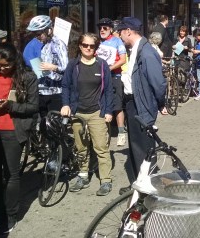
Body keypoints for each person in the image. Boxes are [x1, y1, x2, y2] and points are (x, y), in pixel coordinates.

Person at [0, 42, 38, 234]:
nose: (1, 69)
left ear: (15, 62)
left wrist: (10, 106)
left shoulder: (27, 77)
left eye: (6, 65)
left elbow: (32, 106)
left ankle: (11, 214)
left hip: (12, 129)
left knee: (11, 174)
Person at [116, 17, 167, 189]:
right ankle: (139, 184)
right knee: (135, 146)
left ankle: (147, 188)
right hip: (133, 103)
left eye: (121, 32)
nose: (119, 36)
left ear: (128, 31)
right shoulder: (137, 49)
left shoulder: (146, 52)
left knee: (143, 148)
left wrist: (160, 103)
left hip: (141, 105)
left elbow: (158, 83)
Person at [61, 33, 114, 196]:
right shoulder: (73, 65)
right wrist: (65, 104)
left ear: (96, 47)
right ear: (80, 46)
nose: (88, 48)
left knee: (101, 148)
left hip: (97, 112)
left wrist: (108, 111)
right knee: (81, 147)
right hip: (78, 112)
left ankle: (105, 180)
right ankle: (83, 175)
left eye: (92, 46)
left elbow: (109, 90)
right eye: (85, 45)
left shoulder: (102, 65)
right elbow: (66, 86)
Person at [96, 18, 128, 147]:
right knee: (100, 104)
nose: (102, 30)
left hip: (114, 76)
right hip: (99, 77)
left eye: (105, 28)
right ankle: (103, 131)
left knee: (117, 105)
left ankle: (121, 133)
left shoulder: (117, 41)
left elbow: (123, 59)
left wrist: (109, 68)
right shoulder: (97, 42)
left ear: (110, 29)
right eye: (100, 28)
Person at [28, 15, 68, 116]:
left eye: (39, 33)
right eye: (35, 34)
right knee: (43, 125)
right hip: (42, 91)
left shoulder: (58, 44)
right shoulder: (43, 45)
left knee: (54, 126)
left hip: (55, 92)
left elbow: (66, 67)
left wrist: (53, 67)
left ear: (48, 30)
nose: (37, 36)